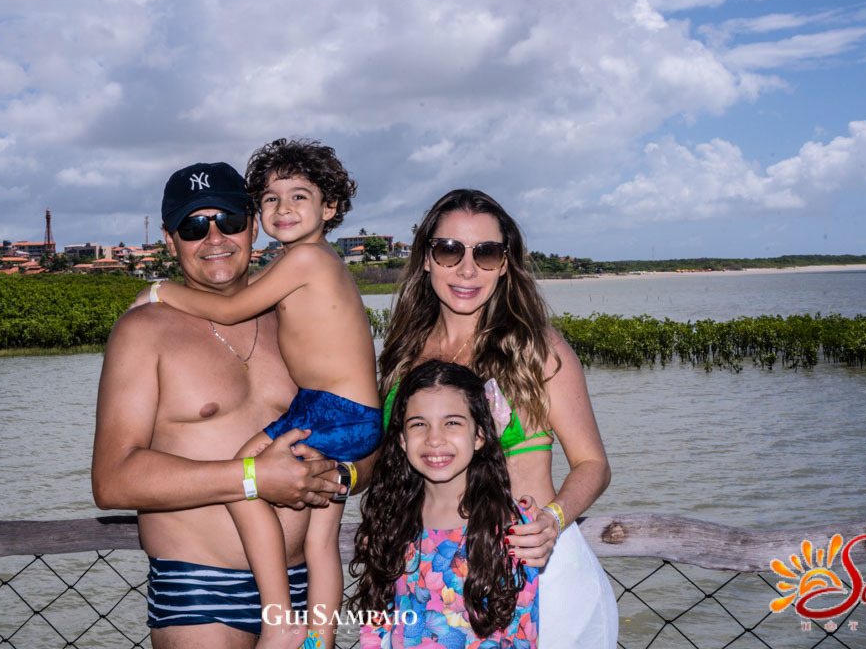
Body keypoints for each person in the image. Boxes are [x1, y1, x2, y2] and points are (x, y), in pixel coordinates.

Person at [132, 139, 381, 649]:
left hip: (328, 414)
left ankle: (281, 621)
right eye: (271, 200)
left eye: (298, 197)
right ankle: (318, 636)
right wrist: (321, 475)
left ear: (329, 207)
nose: (283, 209)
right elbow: (111, 480)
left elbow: (229, 309)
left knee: (249, 474)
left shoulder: (299, 270)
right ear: (170, 237)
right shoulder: (146, 332)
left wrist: (158, 291)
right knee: (316, 534)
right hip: (199, 588)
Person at [377, 189, 618, 648]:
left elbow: (593, 464)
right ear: (426, 258)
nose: (467, 269)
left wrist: (553, 518)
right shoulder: (403, 354)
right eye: (449, 250)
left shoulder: (536, 350)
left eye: (486, 253)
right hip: (429, 580)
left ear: (505, 264)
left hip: (537, 574)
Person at [350, 360, 539, 648]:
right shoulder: (390, 520)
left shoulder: (511, 526)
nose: (434, 439)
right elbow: (377, 623)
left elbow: (522, 633)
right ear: (402, 439)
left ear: (479, 436)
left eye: (451, 423)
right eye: (418, 424)